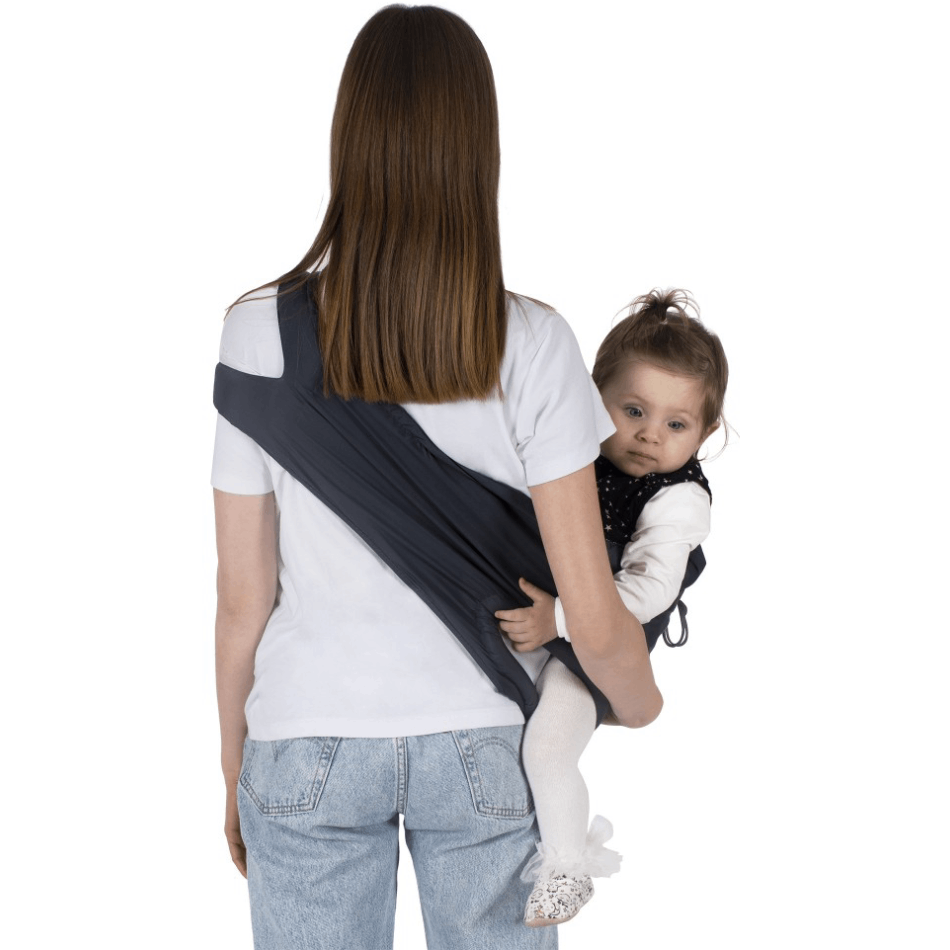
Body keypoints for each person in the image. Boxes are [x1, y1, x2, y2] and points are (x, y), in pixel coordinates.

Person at [212, 7, 661, 949]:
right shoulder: (536, 344)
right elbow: (589, 611)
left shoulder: (257, 333)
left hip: (304, 734)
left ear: (350, 141)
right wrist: (640, 702)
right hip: (485, 738)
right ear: (478, 152)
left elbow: (243, 600)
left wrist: (234, 769)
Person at [496, 288, 729, 926]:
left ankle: (568, 867)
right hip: (555, 619)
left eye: (677, 425)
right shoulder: (576, 456)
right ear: (591, 397)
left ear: (706, 433)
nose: (650, 435)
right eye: (632, 410)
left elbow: (649, 592)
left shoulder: (678, 499)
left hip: (599, 647)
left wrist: (557, 619)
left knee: (548, 748)